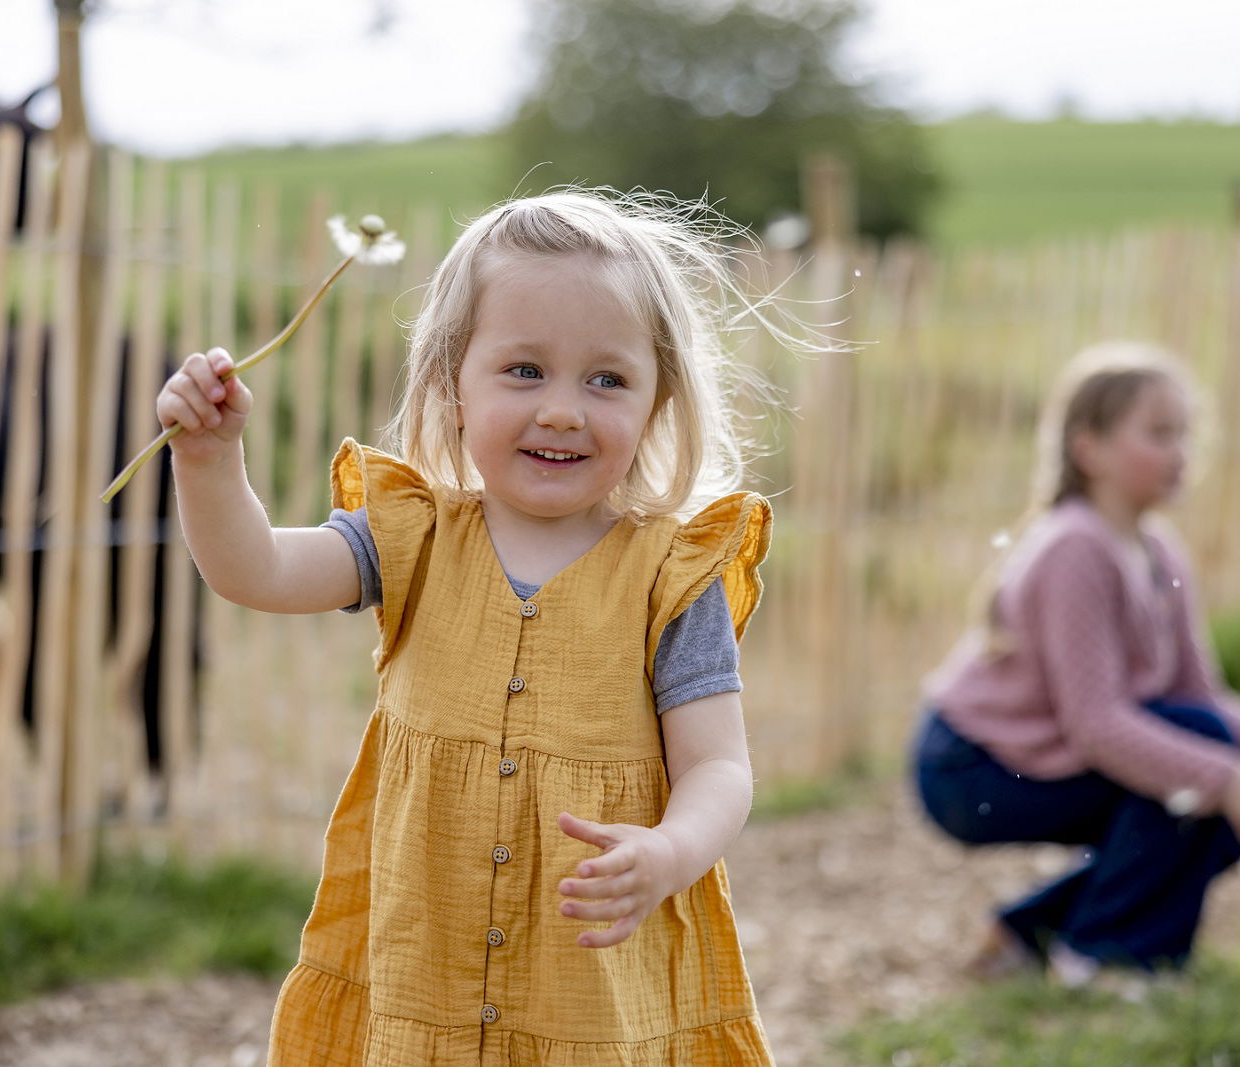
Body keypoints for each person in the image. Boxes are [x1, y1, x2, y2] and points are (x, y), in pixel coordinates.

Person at [155, 190, 785, 1064]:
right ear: (453, 383)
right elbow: (253, 570)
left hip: (589, 994)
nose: (563, 408)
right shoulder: (412, 536)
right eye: (524, 370)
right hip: (427, 972)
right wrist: (209, 461)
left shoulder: (670, 579)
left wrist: (671, 850)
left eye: (606, 379)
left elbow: (719, 764)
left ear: (656, 403)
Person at [910, 341, 1240, 988]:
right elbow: (1098, 724)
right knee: (1206, 774)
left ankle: (1031, 932)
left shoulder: (1157, 549)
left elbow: (1202, 699)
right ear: (1088, 448)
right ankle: (1106, 957)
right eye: (1159, 433)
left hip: (1045, 751)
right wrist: (1226, 774)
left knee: (1220, 782)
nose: (1181, 452)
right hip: (970, 766)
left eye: (1186, 434)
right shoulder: (1075, 547)